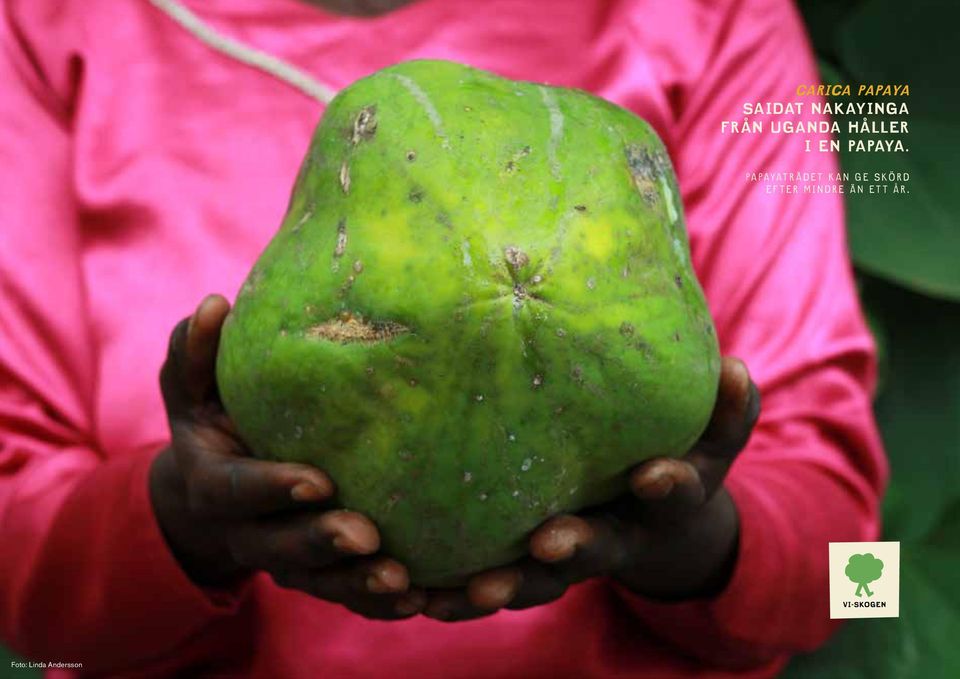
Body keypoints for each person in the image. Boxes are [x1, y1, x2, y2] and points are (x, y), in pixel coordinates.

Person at [0, 0, 887, 677]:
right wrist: (180, 524)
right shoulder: (41, 26)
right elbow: (16, 605)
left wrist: (699, 546)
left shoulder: (720, 16)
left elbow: (865, 577)